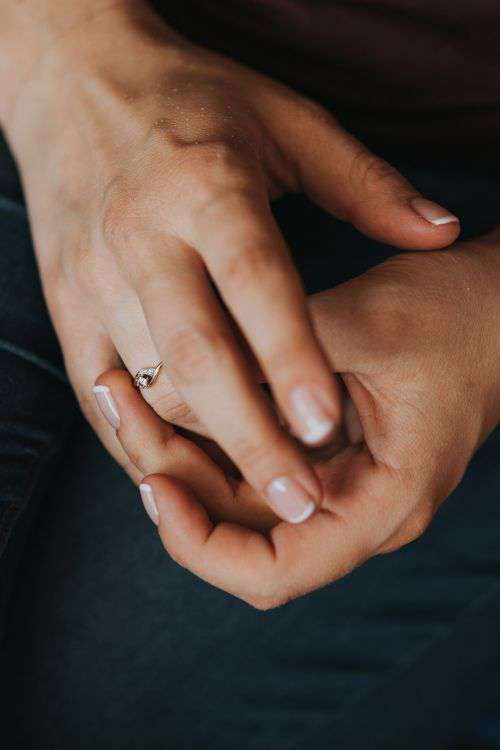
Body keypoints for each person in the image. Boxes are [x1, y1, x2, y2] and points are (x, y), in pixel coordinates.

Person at [0, 2, 499, 747]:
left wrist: (490, 310)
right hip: (100, 60)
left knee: (110, 709)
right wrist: (57, 56)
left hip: (463, 184)